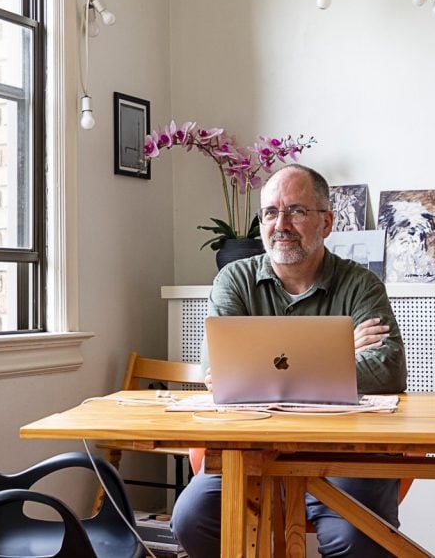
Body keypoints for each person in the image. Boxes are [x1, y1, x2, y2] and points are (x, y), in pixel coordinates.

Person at [170, 164, 407, 558]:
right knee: (192, 519)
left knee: (355, 540)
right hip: (252, 450)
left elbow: (388, 370)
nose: (280, 224)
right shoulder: (234, 281)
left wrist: (269, 373)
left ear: (327, 222)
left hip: (346, 453)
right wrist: (342, 353)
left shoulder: (362, 285)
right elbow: (224, 375)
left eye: (296, 211)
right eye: (270, 213)